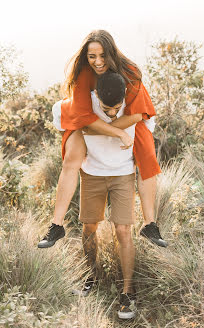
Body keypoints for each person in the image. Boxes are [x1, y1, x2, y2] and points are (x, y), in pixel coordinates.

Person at [37, 30, 167, 249]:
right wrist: (117, 133)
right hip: (83, 117)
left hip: (126, 117)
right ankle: (56, 225)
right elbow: (84, 118)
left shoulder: (130, 71)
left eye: (103, 55)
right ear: (86, 57)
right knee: (71, 158)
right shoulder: (83, 74)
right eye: (92, 56)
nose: (98, 62)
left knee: (146, 155)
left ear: (112, 53)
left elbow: (136, 114)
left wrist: (104, 131)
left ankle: (150, 223)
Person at [75, 72, 138, 319]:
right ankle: (90, 276)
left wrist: (98, 129)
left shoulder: (133, 102)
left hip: (123, 172)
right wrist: (117, 130)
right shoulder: (86, 101)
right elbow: (80, 124)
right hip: (92, 172)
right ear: (96, 96)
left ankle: (127, 292)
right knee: (89, 226)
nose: (112, 113)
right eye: (106, 109)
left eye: (117, 109)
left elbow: (143, 122)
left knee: (123, 230)